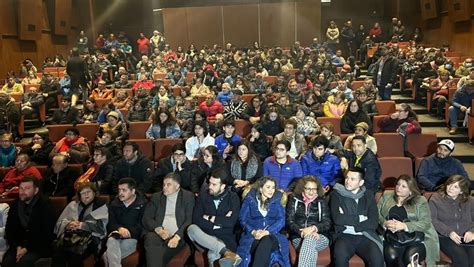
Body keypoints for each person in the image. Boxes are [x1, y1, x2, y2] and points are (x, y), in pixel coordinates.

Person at [378, 175, 439, 267]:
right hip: (391, 238)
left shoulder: (420, 201)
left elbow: (426, 222)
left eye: (403, 186)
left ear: (411, 190)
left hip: (416, 238)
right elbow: (376, 214)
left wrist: (405, 226)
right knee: (391, 256)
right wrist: (385, 223)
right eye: (398, 184)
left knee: (409, 257)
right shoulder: (387, 195)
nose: (399, 188)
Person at [330, 168, 384, 267]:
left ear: (361, 182)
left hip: (365, 235)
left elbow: (373, 222)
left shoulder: (368, 195)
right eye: (347, 178)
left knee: (377, 260)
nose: (347, 181)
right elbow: (337, 219)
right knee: (339, 258)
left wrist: (348, 219)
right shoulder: (336, 194)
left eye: (352, 179)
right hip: (344, 236)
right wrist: (360, 218)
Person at [187, 168, 241, 266]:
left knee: (212, 254)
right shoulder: (203, 196)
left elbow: (231, 222)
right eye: (209, 183)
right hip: (204, 236)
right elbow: (196, 219)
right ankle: (225, 252)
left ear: (223, 186)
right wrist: (218, 224)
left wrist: (210, 218)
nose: (210, 186)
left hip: (225, 238)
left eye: (214, 184)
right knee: (191, 229)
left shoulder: (233, 198)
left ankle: (223, 251)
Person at [142, 173, 195, 266]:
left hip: (177, 237)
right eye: (164, 184)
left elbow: (189, 220)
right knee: (149, 238)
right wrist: (159, 230)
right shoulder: (156, 197)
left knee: (155, 255)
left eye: (168, 185)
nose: (164, 187)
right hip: (158, 234)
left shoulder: (188, 197)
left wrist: (177, 237)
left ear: (177, 186)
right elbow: (146, 218)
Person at [237, 176, 290, 267]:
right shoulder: (250, 199)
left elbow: (281, 220)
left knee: (267, 239)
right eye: (268, 187)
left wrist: (268, 231)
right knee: (263, 244)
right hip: (253, 236)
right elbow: (243, 219)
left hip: (273, 235)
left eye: (273, 188)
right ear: (261, 189)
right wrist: (253, 231)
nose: (271, 190)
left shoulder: (277, 200)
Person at [52, 182, 108, 267]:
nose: (86, 195)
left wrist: (82, 225)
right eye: (83, 193)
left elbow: (101, 228)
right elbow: (59, 223)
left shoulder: (100, 206)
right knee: (59, 253)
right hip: (70, 237)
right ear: (79, 195)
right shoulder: (72, 205)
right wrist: (68, 224)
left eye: (88, 192)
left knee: (75, 254)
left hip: (90, 238)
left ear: (94, 193)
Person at [3, 177, 55, 267]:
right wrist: (18, 246)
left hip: (39, 246)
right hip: (18, 245)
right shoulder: (15, 204)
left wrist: (26, 249)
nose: (22, 192)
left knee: (23, 264)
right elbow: (9, 229)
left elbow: (47, 232)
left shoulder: (45, 204)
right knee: (7, 263)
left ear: (36, 191)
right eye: (21, 188)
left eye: (27, 188)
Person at [429, 175, 474, 267]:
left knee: (472, 258)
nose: (450, 188)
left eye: (455, 187)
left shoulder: (470, 201)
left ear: (461, 191)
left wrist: (472, 232)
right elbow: (432, 219)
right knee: (461, 258)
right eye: (449, 184)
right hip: (444, 236)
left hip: (466, 237)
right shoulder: (436, 198)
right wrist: (449, 232)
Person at [286, 176, 331, 267]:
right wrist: (301, 231)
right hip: (298, 236)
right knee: (310, 246)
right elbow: (289, 221)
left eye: (314, 189)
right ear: (303, 188)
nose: (311, 192)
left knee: (310, 239)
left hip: (319, 236)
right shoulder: (294, 199)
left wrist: (314, 228)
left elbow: (327, 222)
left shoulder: (321, 201)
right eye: (308, 189)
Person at [104, 178, 146, 267]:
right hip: (116, 235)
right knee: (111, 240)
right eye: (119, 190)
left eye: (124, 190)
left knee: (106, 256)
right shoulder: (114, 204)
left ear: (133, 191)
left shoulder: (143, 204)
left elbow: (142, 226)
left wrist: (128, 231)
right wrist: (120, 229)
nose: (120, 193)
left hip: (133, 238)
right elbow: (110, 224)